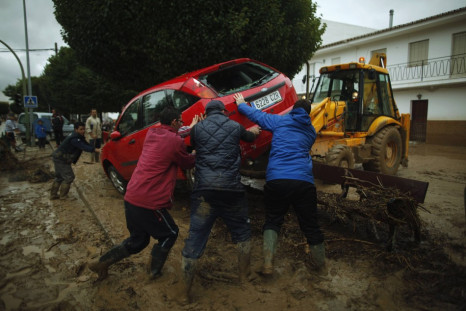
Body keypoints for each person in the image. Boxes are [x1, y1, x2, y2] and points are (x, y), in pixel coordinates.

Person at [89, 107, 195, 281]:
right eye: (181, 121)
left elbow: (174, 135)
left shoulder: (152, 134)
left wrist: (191, 127)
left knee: (139, 240)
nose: (182, 124)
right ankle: (153, 271)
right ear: (175, 122)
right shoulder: (175, 142)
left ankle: (101, 263)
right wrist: (196, 154)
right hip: (149, 200)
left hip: (132, 196)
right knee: (170, 233)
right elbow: (187, 162)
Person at [233, 93, 327, 277]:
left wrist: (241, 104)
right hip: (303, 182)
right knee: (310, 225)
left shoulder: (280, 121)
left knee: (273, 220)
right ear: (308, 114)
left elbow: (257, 116)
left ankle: (267, 264)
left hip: (277, 179)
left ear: (292, 110)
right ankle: (322, 267)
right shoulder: (311, 132)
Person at [180, 100, 260, 303]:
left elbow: (193, 146)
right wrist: (255, 130)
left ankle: (183, 294)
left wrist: (196, 126)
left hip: (205, 192)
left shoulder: (197, 128)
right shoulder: (235, 125)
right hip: (231, 190)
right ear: (224, 111)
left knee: (195, 237)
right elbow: (250, 138)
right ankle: (244, 276)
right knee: (242, 232)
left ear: (206, 114)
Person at [50, 121, 101, 200]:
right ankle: (63, 196)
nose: (83, 131)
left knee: (59, 177)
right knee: (69, 177)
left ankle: (53, 195)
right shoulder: (75, 138)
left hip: (59, 157)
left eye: (84, 129)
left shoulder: (78, 136)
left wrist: (95, 148)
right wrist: (96, 150)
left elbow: (85, 144)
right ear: (76, 129)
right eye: (81, 129)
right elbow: (83, 146)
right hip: (61, 159)